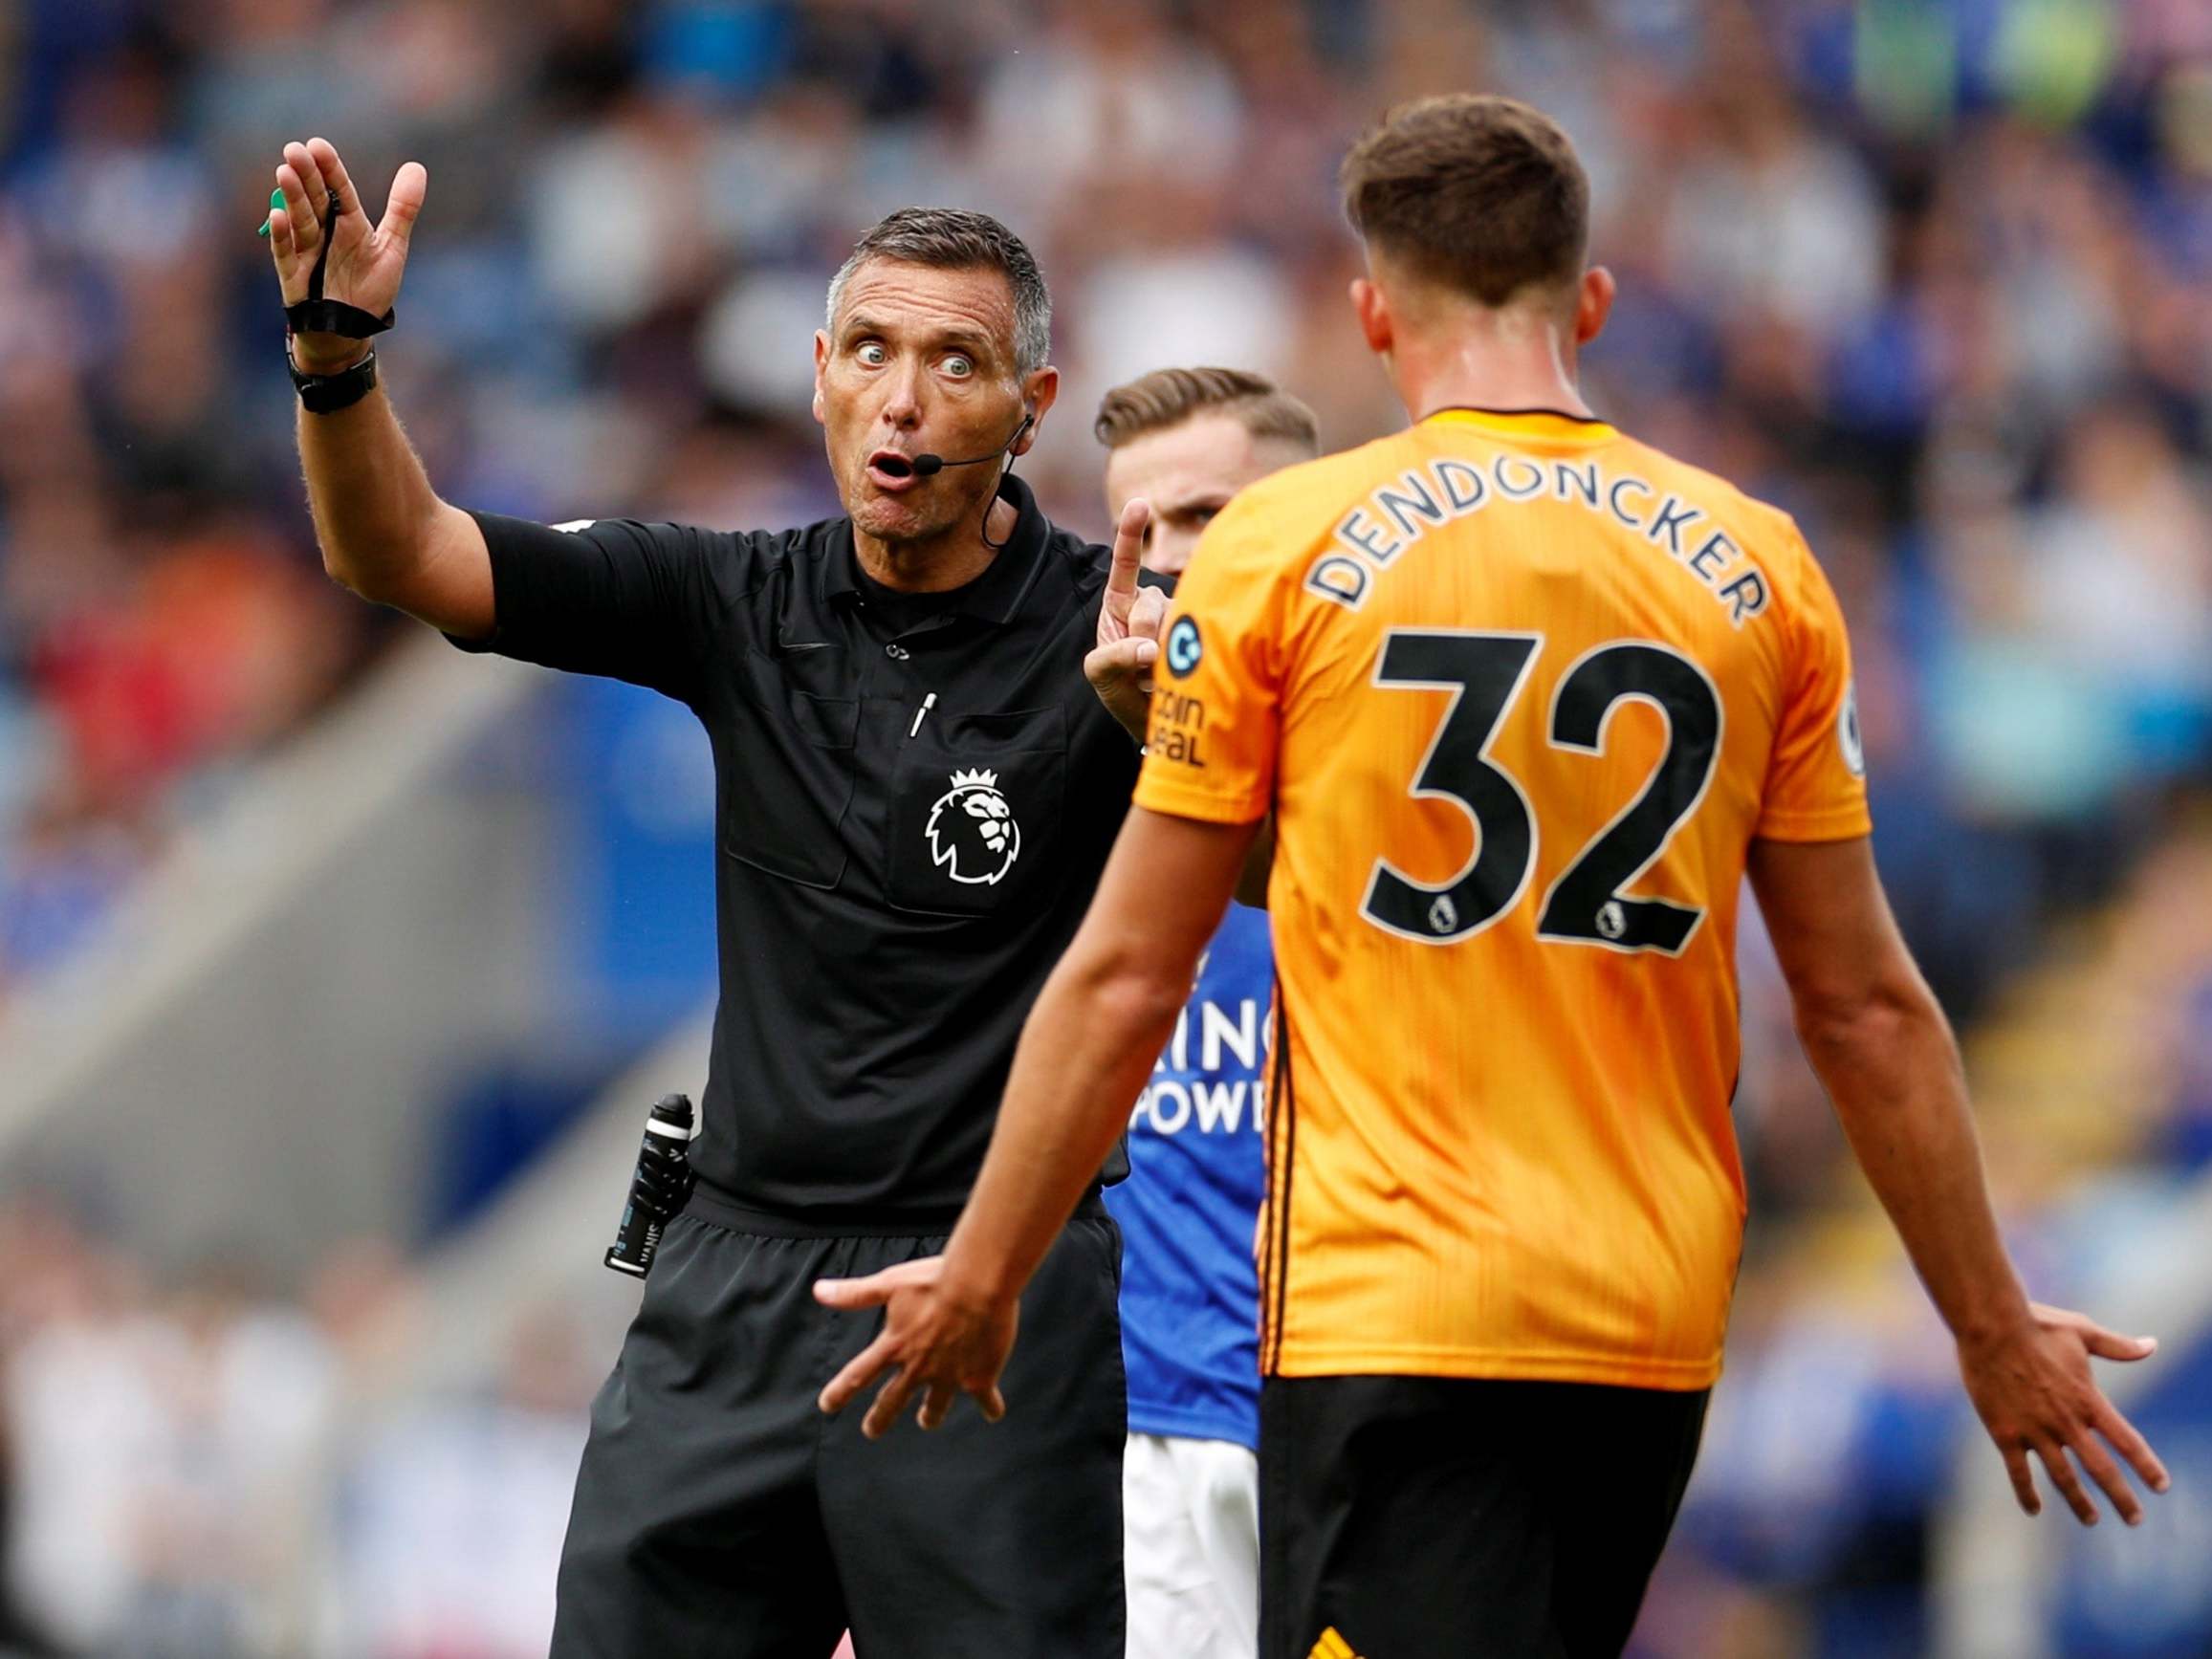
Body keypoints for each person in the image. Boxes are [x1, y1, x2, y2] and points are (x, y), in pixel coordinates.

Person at [814, 95, 2174, 1659]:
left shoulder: (1279, 549)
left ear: (1371, 307)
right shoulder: (1759, 565)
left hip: (1393, 1309)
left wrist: (983, 1272)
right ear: (1585, 302)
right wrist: (1989, 1326)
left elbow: (1128, 972)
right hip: (1649, 1329)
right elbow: (1864, 1007)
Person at [262, 135, 1171, 1657]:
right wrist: (336, 361)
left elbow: (1270, 881)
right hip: (729, 1285)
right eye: (870, 351)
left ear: (1031, 409)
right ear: (817, 372)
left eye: (955, 364)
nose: (901, 397)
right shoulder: (735, 599)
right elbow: (400, 553)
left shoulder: (1118, 640)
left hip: (981, 1278)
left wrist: (1175, 742)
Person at [1093, 367, 1320, 1659]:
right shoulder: (1075, 791)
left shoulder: (1403, 762)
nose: (1167, 561)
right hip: (1159, 1434)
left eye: (1204, 515)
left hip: (1367, 1402)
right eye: (1137, 529)